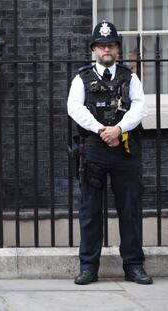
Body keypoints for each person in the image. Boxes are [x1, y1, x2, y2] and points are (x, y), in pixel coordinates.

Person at [67, 21, 152, 285]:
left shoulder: (130, 77)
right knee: (90, 211)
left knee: (130, 209)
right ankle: (88, 267)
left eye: (111, 44)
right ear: (94, 49)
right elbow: (74, 108)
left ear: (117, 48)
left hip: (125, 151)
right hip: (93, 149)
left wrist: (118, 129)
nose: (107, 49)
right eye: (102, 45)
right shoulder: (81, 78)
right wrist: (101, 128)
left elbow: (140, 108)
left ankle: (134, 266)